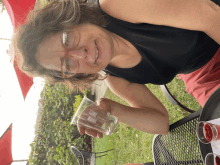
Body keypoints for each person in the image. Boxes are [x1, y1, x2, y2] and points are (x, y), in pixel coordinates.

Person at [13, 0, 220, 141]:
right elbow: (160, 124)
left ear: (70, 19)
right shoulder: (116, 78)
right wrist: (111, 108)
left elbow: (209, 15)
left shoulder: (115, 5)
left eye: (67, 39)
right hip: (200, 71)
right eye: (67, 63)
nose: (80, 54)